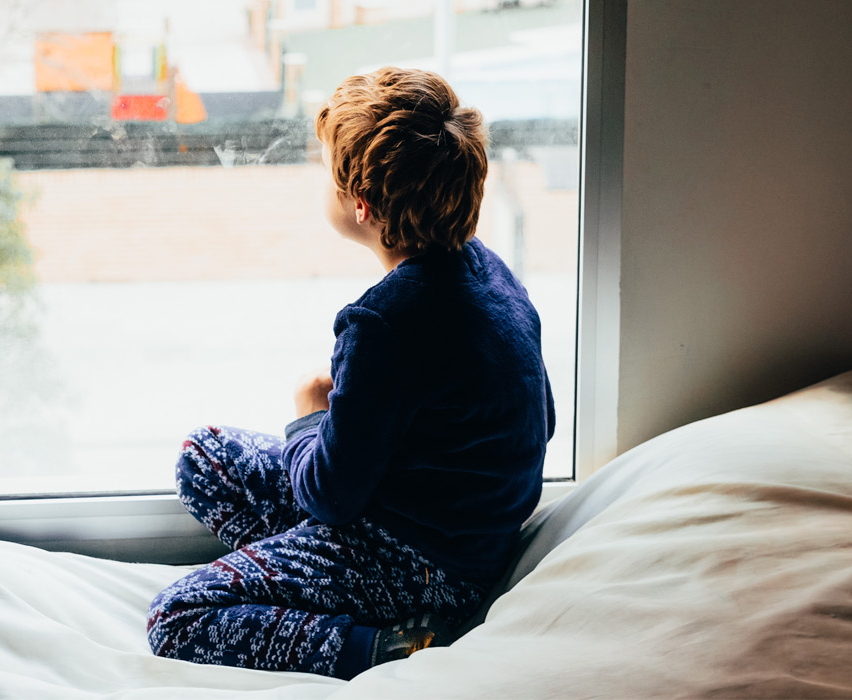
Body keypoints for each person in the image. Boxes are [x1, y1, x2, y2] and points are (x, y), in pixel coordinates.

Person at [145, 66, 554, 680]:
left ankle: (381, 645)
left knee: (175, 617)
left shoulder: (383, 324)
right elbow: (539, 420)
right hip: (465, 540)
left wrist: (311, 416)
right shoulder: (494, 277)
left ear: (360, 204)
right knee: (202, 458)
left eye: (328, 174)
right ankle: (304, 576)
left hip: (414, 564)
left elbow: (329, 498)